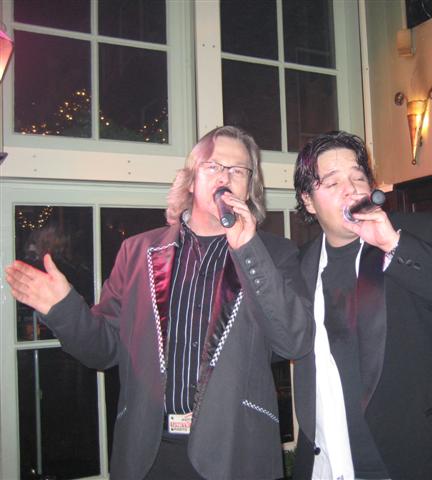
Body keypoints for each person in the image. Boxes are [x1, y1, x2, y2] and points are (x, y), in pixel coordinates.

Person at [5, 126, 314, 480]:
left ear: (249, 187)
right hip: (150, 454)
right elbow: (104, 349)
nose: (225, 177)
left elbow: (294, 341)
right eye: (213, 166)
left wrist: (248, 249)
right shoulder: (137, 251)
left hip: (237, 453)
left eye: (238, 170)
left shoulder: (274, 254)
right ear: (191, 180)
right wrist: (63, 309)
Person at [291, 131, 432, 480]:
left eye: (358, 178)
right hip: (331, 461)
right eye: (332, 183)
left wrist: (392, 244)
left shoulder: (415, 232)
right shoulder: (300, 264)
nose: (351, 190)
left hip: (422, 455)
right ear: (308, 201)